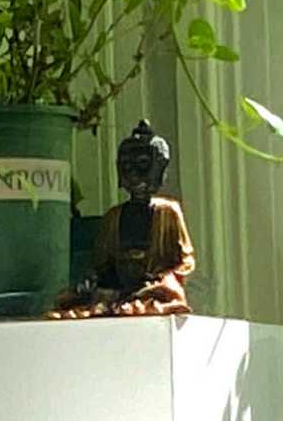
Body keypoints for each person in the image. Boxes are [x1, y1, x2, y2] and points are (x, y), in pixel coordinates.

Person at [55, 119, 194, 316]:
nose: (134, 174)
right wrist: (94, 281)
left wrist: (158, 278)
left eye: (143, 165)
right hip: (116, 290)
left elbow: (184, 262)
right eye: (126, 166)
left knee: (161, 295)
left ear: (160, 169)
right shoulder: (114, 216)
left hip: (154, 288)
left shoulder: (167, 212)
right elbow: (102, 266)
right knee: (71, 300)